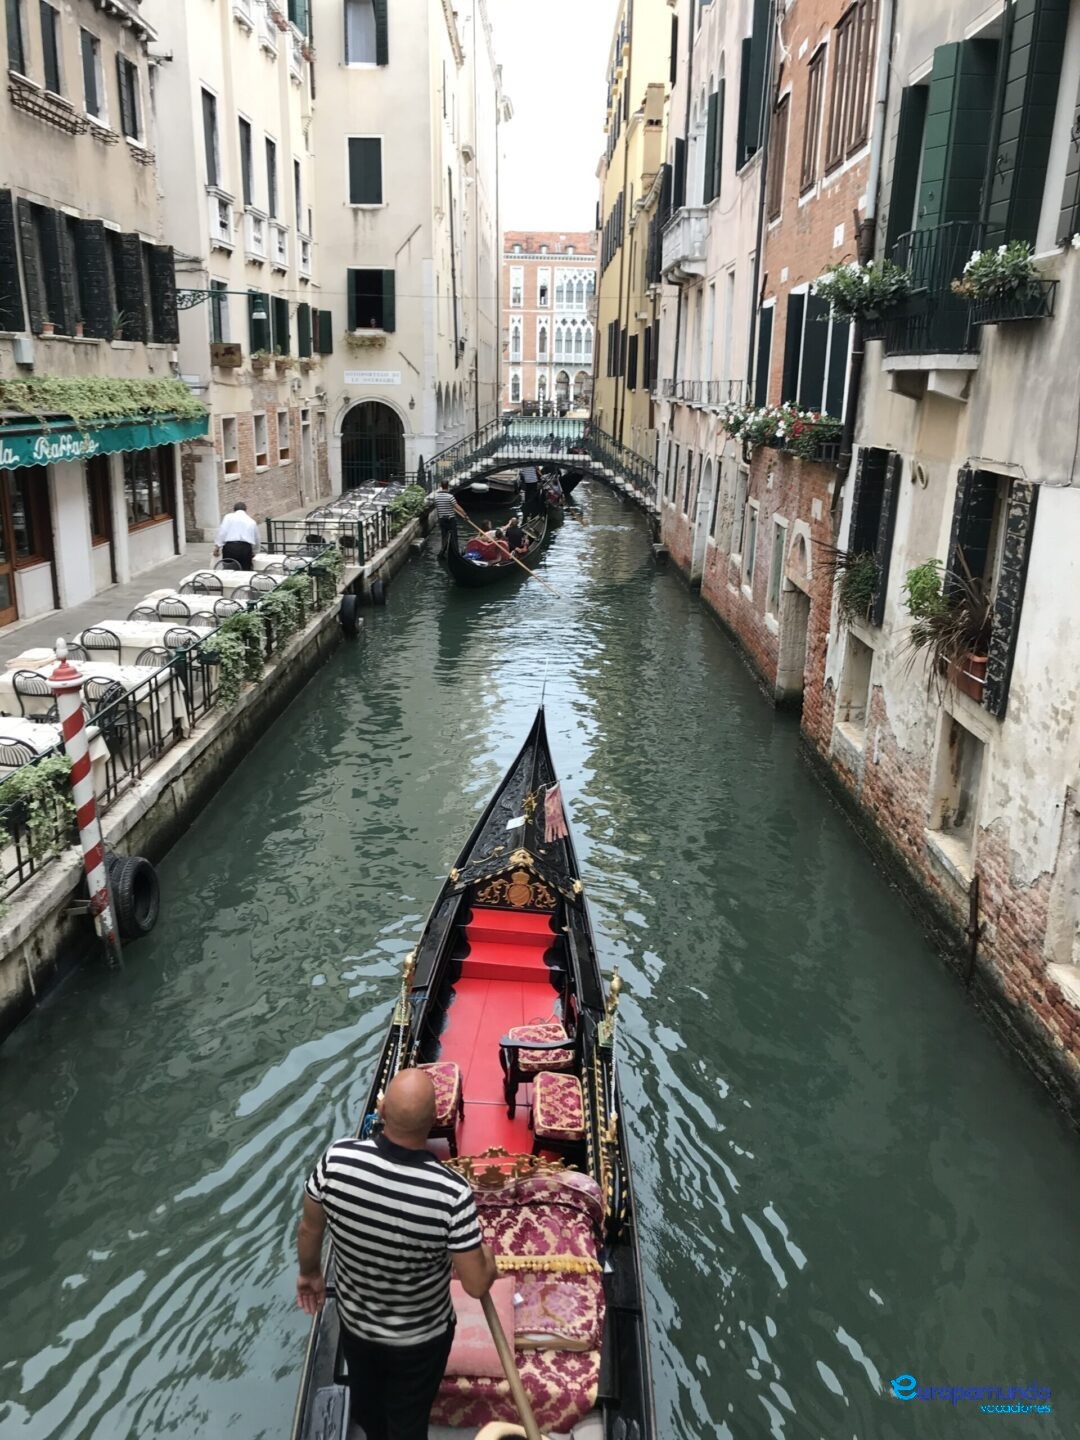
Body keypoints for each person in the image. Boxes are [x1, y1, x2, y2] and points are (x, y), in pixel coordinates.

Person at [296, 1069, 497, 1440]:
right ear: (436, 1121)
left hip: (357, 1326)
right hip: (421, 1340)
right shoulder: (451, 1193)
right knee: (408, 1418)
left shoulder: (336, 1160)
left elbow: (310, 1228)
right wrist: (487, 1254)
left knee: (370, 1408)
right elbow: (475, 1284)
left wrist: (309, 1274)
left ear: (383, 1110)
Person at [214, 502, 259, 570]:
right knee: (245, 570)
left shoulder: (228, 517)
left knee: (229, 570)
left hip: (230, 548)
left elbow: (222, 532)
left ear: (234, 510)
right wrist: (254, 551)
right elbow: (256, 538)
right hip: (245, 548)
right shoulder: (251, 521)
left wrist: (217, 547)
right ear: (245, 510)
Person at [432, 481, 464, 559]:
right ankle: (456, 554)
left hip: (442, 520)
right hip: (450, 520)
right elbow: (457, 507)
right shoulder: (450, 497)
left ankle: (442, 554)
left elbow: (438, 507)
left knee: (444, 536)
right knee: (454, 537)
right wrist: (465, 514)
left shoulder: (436, 497)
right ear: (447, 486)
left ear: (441, 486)